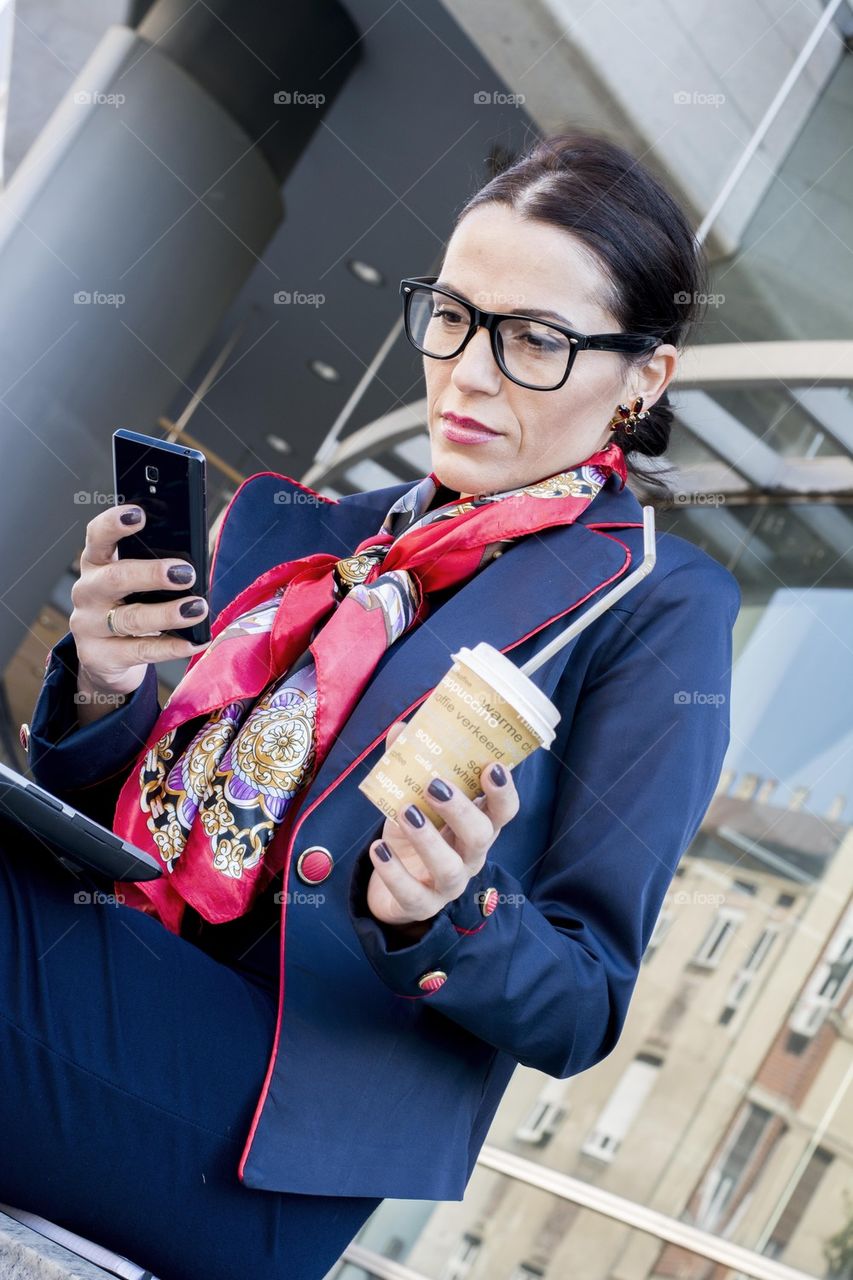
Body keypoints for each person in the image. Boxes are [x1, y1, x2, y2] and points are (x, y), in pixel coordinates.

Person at [0, 130, 740, 1280]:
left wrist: (444, 910)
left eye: (534, 340)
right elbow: (132, 814)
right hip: (123, 967)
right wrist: (103, 683)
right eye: (452, 316)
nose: (469, 372)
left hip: (263, 1134)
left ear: (643, 377)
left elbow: (584, 1000)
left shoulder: (656, 604)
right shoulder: (310, 533)